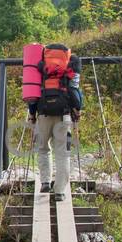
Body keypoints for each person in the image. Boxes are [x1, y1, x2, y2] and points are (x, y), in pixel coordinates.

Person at [28, 43, 82, 200]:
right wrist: (77, 109)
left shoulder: (41, 65)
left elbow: (33, 91)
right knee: (62, 153)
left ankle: (45, 182)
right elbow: (75, 90)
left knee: (43, 148)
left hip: (43, 113)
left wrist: (32, 114)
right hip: (63, 115)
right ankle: (59, 191)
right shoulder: (72, 63)